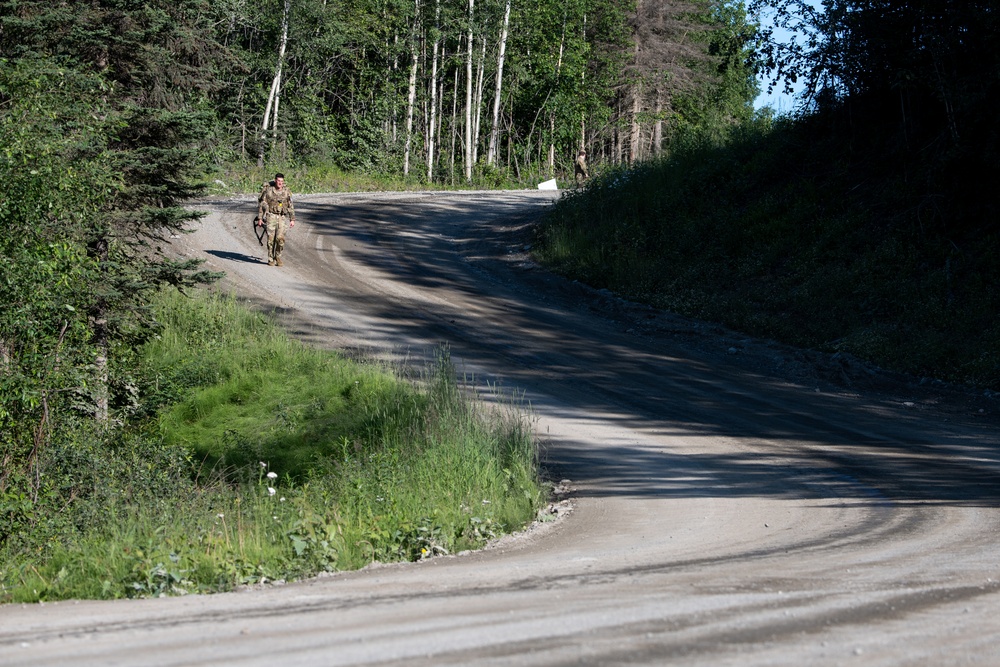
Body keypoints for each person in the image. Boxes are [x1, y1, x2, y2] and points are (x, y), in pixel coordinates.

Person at [255, 173, 296, 266]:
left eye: (281, 181)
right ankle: (270, 258)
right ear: (275, 181)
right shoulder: (269, 191)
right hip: (271, 216)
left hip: (281, 217)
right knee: (270, 239)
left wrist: (292, 219)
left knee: (280, 239)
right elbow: (262, 205)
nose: (280, 183)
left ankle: (278, 256)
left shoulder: (286, 192)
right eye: (278, 181)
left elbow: (290, 205)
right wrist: (260, 218)